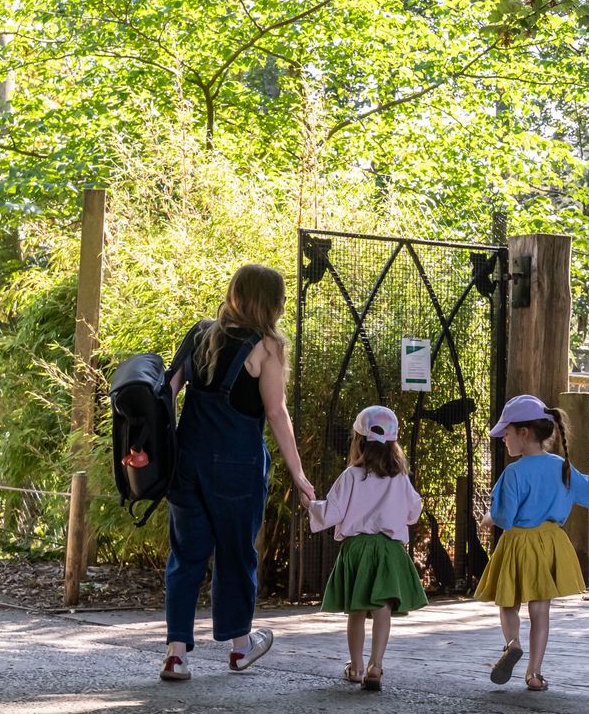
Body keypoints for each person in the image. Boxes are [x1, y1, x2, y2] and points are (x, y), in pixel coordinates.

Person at [159, 264, 316, 682]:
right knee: (236, 554)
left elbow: (168, 392)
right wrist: (298, 474)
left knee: (186, 555)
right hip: (238, 467)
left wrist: (152, 450)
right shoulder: (267, 347)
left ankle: (176, 655)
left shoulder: (201, 334)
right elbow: (276, 413)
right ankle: (240, 648)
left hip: (186, 462)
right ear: (271, 302)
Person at [473, 394, 589, 691]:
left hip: (517, 543)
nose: (503, 439)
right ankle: (535, 673)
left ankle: (513, 643)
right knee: (541, 610)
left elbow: (504, 516)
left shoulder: (513, 473)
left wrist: (488, 518)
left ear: (524, 432)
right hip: (549, 542)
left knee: (508, 602)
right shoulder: (561, 465)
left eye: (506, 433)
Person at [307, 405, 426, 692]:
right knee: (383, 608)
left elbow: (332, 512)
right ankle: (376, 665)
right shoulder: (399, 478)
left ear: (358, 440)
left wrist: (309, 504)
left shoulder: (351, 475)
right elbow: (413, 511)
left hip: (357, 549)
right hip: (388, 551)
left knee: (357, 609)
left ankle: (356, 666)